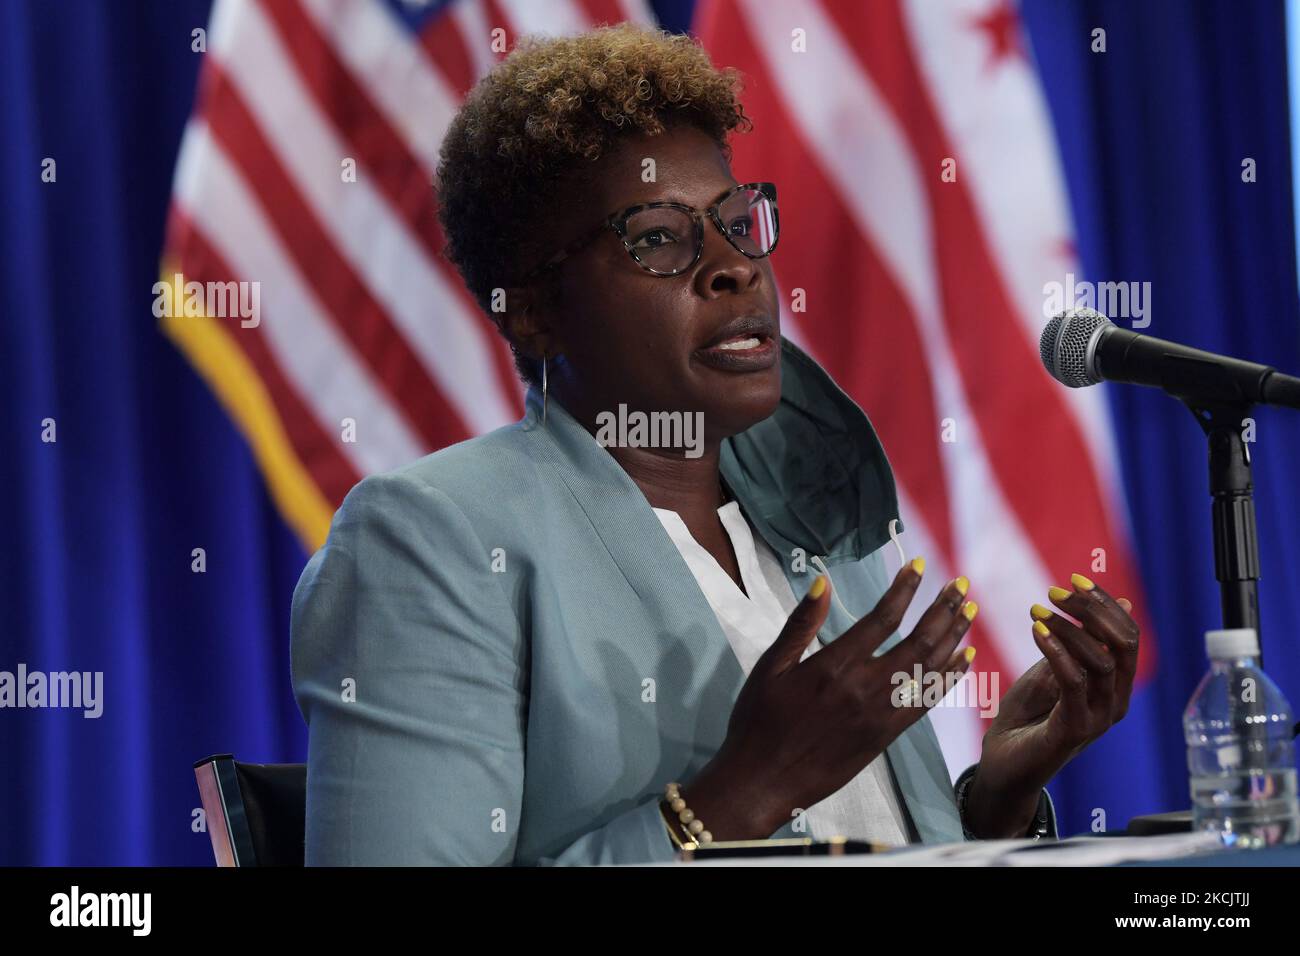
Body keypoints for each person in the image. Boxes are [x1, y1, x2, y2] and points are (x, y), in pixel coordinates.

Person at [290, 23, 1141, 865]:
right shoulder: (430, 541)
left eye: (737, 221)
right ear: (537, 311)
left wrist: (997, 800)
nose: (734, 266)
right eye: (659, 237)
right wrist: (742, 794)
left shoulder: (815, 518)